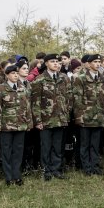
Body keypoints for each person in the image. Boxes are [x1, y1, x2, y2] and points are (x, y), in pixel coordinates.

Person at [30, 53, 71, 181]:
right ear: (46, 63)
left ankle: (56, 169)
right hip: (46, 119)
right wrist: (38, 120)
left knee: (57, 146)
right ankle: (45, 171)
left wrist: (66, 114)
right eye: (53, 61)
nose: (56, 64)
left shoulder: (64, 78)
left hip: (60, 118)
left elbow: (69, 98)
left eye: (58, 62)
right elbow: (35, 102)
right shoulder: (39, 80)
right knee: (46, 146)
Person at [0, 64, 32, 186]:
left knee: (18, 151)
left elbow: (27, 107)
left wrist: (29, 122)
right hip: (6, 126)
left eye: (16, 73)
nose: (15, 75)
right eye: (13, 73)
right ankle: (8, 177)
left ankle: (17, 175)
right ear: (7, 75)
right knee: (6, 151)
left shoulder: (23, 88)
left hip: (20, 125)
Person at [73, 54, 104, 176]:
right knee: (85, 144)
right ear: (89, 64)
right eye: (95, 61)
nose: (98, 64)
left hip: (99, 117)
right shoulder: (81, 78)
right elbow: (77, 100)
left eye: (99, 61)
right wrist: (79, 117)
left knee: (95, 144)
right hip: (86, 117)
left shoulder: (103, 78)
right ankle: (86, 167)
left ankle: (95, 166)